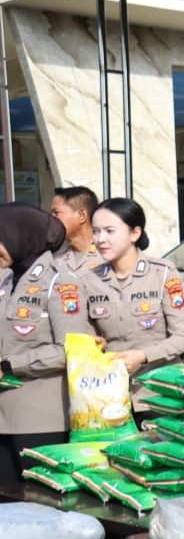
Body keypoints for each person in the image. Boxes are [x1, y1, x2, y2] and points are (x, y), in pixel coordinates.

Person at [0, 204, 93, 488]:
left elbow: (70, 349)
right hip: (3, 420)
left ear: (21, 236)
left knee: (41, 504)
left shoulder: (61, 283)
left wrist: (9, 365)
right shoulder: (6, 280)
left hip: (39, 422)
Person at [80, 197, 184, 418]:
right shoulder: (89, 279)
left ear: (135, 233)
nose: (100, 239)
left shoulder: (163, 273)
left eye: (110, 231)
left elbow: (183, 338)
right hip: (109, 397)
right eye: (96, 231)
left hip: (158, 394)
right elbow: (87, 340)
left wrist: (143, 356)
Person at [49, 185, 103, 274]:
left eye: (56, 213)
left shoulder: (109, 257)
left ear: (81, 216)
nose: (51, 219)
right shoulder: (56, 262)